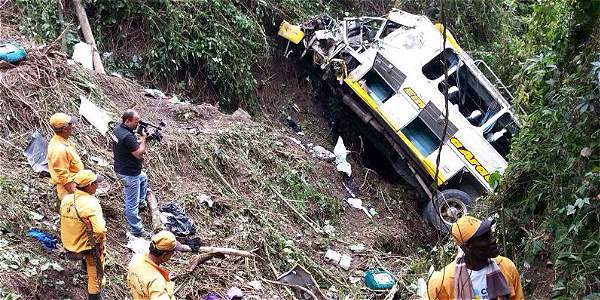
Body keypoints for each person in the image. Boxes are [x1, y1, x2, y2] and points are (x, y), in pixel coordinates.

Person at [427, 216, 524, 300]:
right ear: (467, 247)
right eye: (484, 238)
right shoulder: (443, 282)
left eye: (490, 234)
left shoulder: (505, 267)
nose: (493, 240)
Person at [59, 170, 106, 300]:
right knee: (95, 272)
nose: (98, 185)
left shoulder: (67, 199)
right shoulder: (91, 203)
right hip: (85, 247)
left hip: (68, 244)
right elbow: (100, 230)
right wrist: (99, 242)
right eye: (96, 183)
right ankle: (94, 295)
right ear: (90, 185)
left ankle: (83, 269)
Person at [112, 109, 150, 238]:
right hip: (129, 174)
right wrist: (143, 140)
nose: (138, 124)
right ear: (127, 121)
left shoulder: (118, 130)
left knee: (143, 177)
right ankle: (137, 229)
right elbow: (138, 154)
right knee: (130, 204)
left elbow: (127, 145)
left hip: (121, 169)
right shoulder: (127, 136)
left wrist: (137, 142)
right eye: (136, 121)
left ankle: (141, 202)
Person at [127, 231, 192, 299]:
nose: (173, 255)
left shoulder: (136, 259)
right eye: (172, 253)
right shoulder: (156, 282)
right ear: (164, 255)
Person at [47, 113, 84, 201]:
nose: (74, 126)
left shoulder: (64, 141)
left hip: (75, 184)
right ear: (65, 128)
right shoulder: (58, 149)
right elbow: (64, 177)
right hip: (67, 191)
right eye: (71, 124)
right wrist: (76, 195)